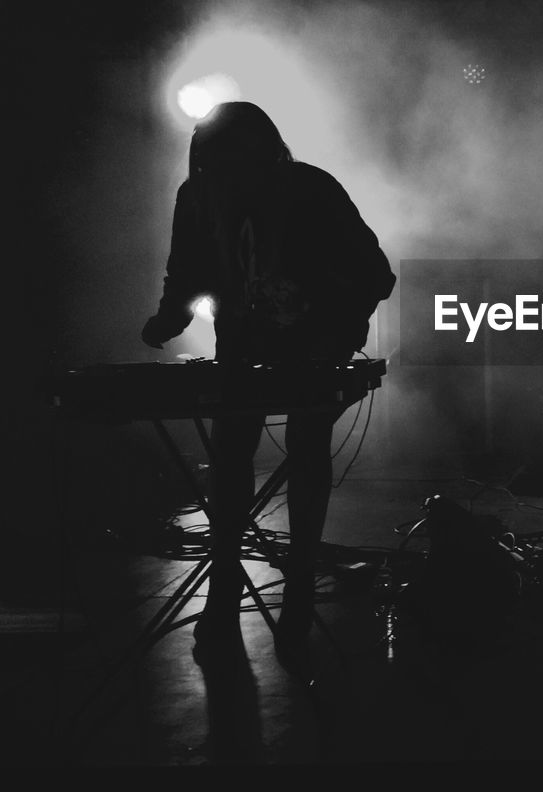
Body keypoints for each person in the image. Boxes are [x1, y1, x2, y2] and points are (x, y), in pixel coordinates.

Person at [141, 101, 396, 672]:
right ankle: (224, 591)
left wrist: (333, 332)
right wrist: (167, 322)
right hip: (242, 344)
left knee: (304, 452)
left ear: (259, 152)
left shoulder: (310, 189)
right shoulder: (198, 196)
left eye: (228, 162)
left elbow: (375, 273)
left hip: (312, 349)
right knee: (232, 456)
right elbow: (187, 272)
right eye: (210, 164)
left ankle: (298, 587)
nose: (219, 176)